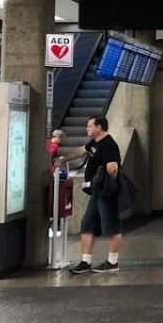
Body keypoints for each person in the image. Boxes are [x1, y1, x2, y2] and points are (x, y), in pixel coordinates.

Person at [58, 116, 123, 273]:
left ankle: (113, 262)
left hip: (105, 193)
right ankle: (85, 261)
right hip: (96, 193)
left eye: (89, 126)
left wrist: (102, 184)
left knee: (112, 226)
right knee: (87, 225)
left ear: (99, 127)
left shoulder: (108, 144)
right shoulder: (95, 143)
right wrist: (63, 159)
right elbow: (82, 150)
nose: (87, 129)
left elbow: (112, 168)